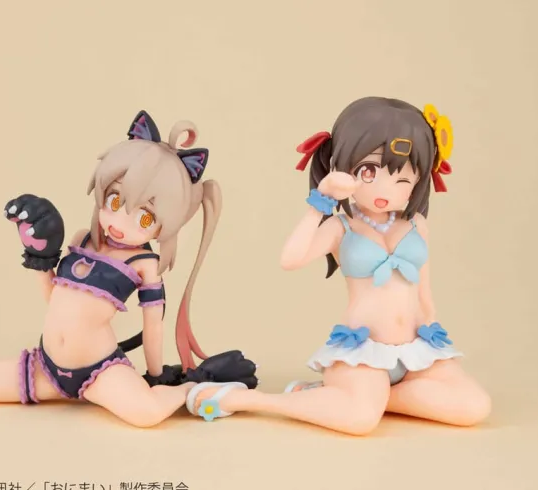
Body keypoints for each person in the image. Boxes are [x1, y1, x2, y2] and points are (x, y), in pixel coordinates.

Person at [184, 97, 491, 435]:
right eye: (369, 172)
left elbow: (424, 293)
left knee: (474, 406)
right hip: (364, 351)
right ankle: (251, 400)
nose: (384, 189)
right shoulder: (341, 226)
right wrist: (321, 202)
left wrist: (433, 331)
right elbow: (290, 259)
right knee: (361, 420)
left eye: (402, 179)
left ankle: (340, 397)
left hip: (417, 349)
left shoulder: (417, 224)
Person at [0, 110, 257, 428]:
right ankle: (67, 392)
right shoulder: (83, 239)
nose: (120, 223)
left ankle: (191, 387)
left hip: (98, 372)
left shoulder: (145, 264)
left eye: (145, 218)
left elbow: (153, 328)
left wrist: (155, 377)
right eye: (114, 200)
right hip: (45, 366)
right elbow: (57, 301)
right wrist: (40, 258)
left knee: (147, 414)